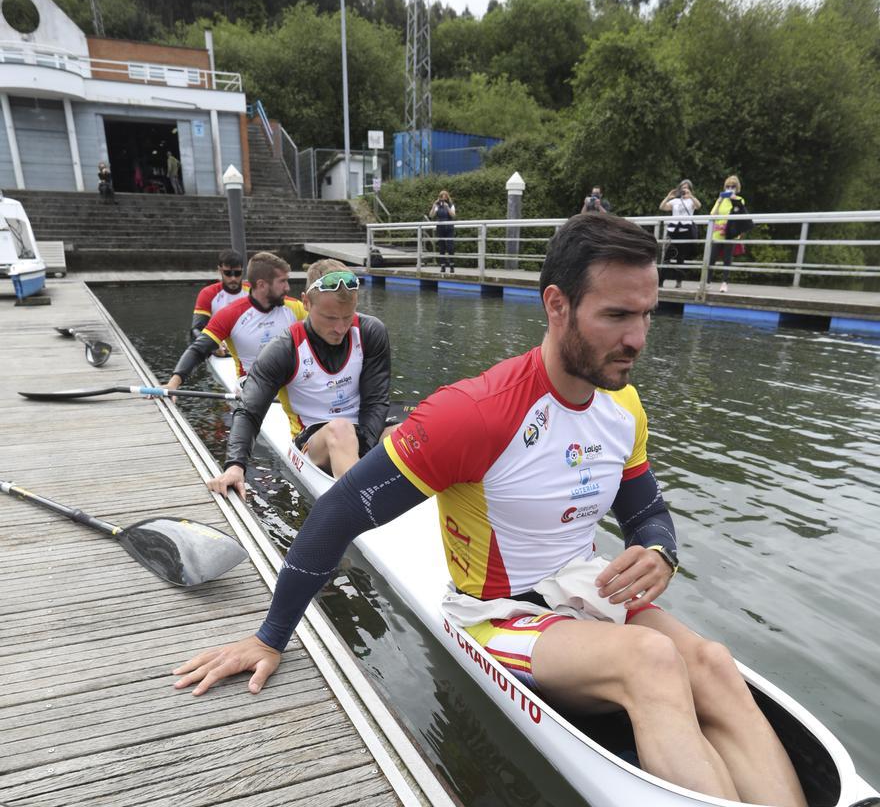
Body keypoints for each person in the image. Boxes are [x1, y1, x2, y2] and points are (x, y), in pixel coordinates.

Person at [173, 213, 807, 807]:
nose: (638, 339)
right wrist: (269, 636)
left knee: (715, 664)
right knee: (654, 660)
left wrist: (662, 551)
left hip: (580, 589)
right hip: (495, 612)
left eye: (647, 314)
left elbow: (647, 512)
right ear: (557, 305)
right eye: (617, 315)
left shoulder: (625, 408)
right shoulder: (473, 413)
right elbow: (338, 511)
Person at [206, 259, 391, 484]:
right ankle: (356, 499)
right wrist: (235, 466)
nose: (341, 328)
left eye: (347, 316)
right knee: (341, 430)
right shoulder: (283, 349)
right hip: (314, 439)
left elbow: (375, 402)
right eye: (331, 318)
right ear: (306, 303)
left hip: (363, 430)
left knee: (412, 430)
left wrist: (364, 449)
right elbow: (249, 411)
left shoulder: (371, 331)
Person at [167, 251, 306, 389]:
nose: (288, 288)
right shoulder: (229, 314)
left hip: (289, 380)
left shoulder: (295, 307)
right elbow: (197, 350)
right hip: (251, 383)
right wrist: (173, 384)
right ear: (262, 285)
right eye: (282, 282)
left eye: (286, 281)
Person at [190, 249, 249, 341]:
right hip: (220, 348)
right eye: (228, 273)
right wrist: (212, 347)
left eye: (237, 273)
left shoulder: (254, 291)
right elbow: (196, 329)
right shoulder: (208, 294)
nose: (233, 278)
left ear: (243, 271)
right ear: (220, 270)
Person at [659, 179, 701, 289]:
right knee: (667, 256)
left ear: (690, 189)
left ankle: (679, 281)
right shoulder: (675, 201)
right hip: (673, 230)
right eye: (683, 187)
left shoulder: (692, 201)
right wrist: (668, 197)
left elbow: (698, 206)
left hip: (685, 231)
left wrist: (691, 196)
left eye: (687, 187)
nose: (684, 189)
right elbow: (662, 207)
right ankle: (661, 280)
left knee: (680, 257)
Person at [708, 175, 747, 293]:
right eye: (728, 186)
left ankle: (724, 282)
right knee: (712, 258)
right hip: (717, 233)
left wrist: (734, 199)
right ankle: (707, 282)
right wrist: (719, 201)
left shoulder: (740, 199)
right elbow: (712, 215)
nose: (730, 188)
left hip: (730, 232)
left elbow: (741, 215)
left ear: (737, 188)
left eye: (733, 186)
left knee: (727, 258)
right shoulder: (720, 200)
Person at [429, 190, 456, 273]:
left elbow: (453, 215)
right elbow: (431, 215)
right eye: (441, 197)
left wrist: (447, 207)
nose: (443, 198)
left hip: (449, 228)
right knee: (442, 247)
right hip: (440, 228)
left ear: (447, 197)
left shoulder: (450, 205)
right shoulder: (437, 205)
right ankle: (443, 265)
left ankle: (451, 265)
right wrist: (434, 206)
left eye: (445, 196)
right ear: (439, 198)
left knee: (450, 246)